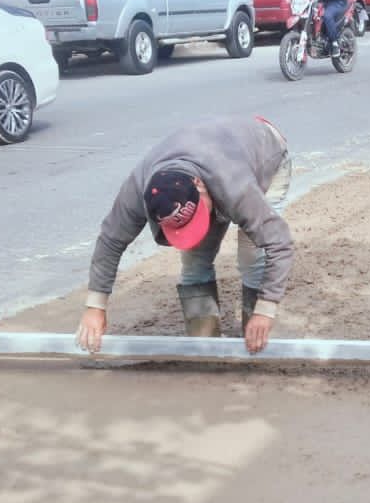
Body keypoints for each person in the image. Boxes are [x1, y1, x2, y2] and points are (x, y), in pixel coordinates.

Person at [75, 116, 293, 357]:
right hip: (208, 156)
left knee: (252, 256)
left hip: (265, 155)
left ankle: (255, 341)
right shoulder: (140, 189)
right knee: (195, 259)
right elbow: (110, 240)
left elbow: (278, 243)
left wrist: (266, 309)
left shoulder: (236, 186)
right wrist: (95, 306)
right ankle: (205, 348)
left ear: (199, 186)